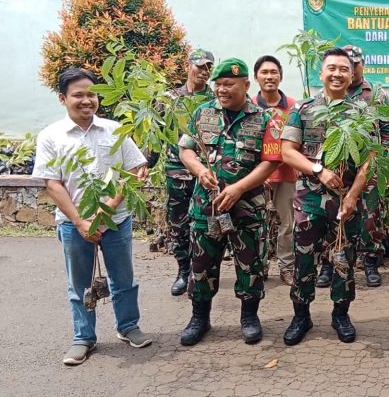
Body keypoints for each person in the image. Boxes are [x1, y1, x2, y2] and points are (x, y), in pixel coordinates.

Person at [33, 67, 152, 366]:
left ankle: (128, 326)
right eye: (78, 95)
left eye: (91, 94)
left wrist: (105, 212)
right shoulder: (51, 136)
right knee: (80, 282)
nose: (86, 100)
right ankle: (83, 338)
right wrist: (81, 221)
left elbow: (135, 172)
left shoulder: (115, 130)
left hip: (117, 219)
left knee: (123, 278)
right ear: (63, 99)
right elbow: (52, 182)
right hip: (75, 224)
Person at [178, 58, 282, 346]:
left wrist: (238, 188)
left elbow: (270, 162)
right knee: (201, 265)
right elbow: (185, 150)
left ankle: (249, 316)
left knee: (251, 266)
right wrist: (199, 170)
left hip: (248, 209)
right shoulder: (202, 113)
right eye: (219, 84)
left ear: (246, 85)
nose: (222, 90)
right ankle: (200, 317)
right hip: (205, 207)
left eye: (229, 85)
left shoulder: (265, 119)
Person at [280, 48, 369, 345]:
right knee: (304, 258)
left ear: (352, 73)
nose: (337, 74)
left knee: (344, 257)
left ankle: (340, 314)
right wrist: (319, 170)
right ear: (321, 72)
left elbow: (369, 159)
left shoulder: (360, 113)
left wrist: (353, 195)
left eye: (344, 69)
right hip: (309, 199)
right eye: (331, 68)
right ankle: (300, 315)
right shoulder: (304, 108)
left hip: (345, 201)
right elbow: (287, 152)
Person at [163, 48, 215, 296]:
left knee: (205, 224)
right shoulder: (170, 98)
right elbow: (157, 136)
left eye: (208, 68)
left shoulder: (214, 100)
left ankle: (200, 271)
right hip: (175, 170)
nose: (203, 72)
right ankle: (183, 271)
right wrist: (144, 163)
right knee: (178, 224)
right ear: (188, 65)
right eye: (199, 66)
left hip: (205, 171)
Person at [344, 44, 389, 287]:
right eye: (347, 64)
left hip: (371, 164)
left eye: (355, 64)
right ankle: (333, 262)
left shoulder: (376, 93)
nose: (351, 69)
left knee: (370, 214)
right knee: (338, 213)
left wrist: (384, 158)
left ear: (362, 64)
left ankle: (371, 262)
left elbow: (388, 131)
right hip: (341, 165)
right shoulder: (333, 92)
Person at [251, 55, 297, 286]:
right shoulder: (248, 106)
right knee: (257, 223)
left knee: (286, 223)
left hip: (287, 174)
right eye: (264, 72)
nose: (269, 77)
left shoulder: (292, 105)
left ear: (280, 76)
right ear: (256, 77)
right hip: (255, 176)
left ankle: (286, 267)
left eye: (274, 72)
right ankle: (259, 267)